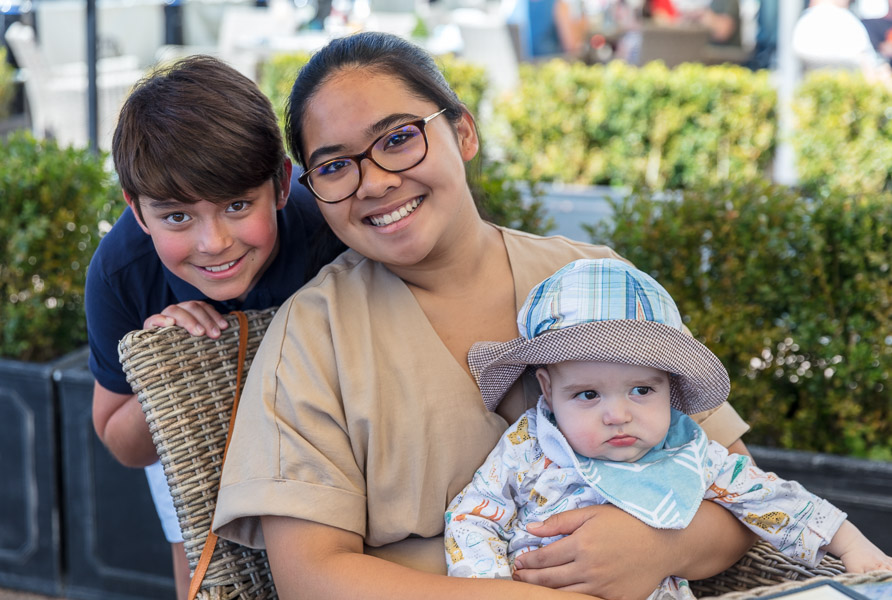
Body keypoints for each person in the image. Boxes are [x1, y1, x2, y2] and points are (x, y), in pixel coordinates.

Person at [213, 31, 757, 600]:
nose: (373, 182)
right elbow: (311, 577)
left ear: (463, 132)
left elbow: (743, 498)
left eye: (398, 139)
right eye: (334, 168)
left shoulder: (600, 280)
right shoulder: (315, 335)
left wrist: (660, 548)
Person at [445, 258, 892, 592]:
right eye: (587, 394)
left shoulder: (688, 451)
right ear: (546, 388)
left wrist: (848, 542)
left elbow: (770, 497)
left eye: (642, 390)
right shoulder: (529, 447)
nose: (618, 414)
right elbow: (472, 516)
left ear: (669, 386)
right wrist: (491, 586)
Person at [85, 55, 327, 600]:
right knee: (199, 549)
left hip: (322, 435)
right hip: (196, 460)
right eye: (176, 217)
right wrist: (166, 366)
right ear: (138, 211)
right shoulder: (122, 273)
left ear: (282, 184)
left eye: (238, 204)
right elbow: (120, 442)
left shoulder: (325, 238)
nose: (214, 242)